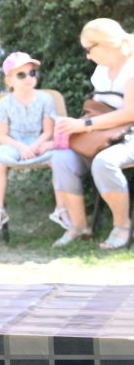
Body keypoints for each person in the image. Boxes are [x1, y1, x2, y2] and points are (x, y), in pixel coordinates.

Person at [0, 51, 86, 243]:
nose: (28, 78)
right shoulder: (4, 103)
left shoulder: (45, 99)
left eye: (32, 73)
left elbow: (48, 131)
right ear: (9, 80)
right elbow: (1, 135)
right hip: (14, 143)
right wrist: (22, 147)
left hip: (39, 141)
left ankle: (61, 208)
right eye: (21, 75)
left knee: (59, 158)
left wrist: (38, 145)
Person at [56, 19, 134, 250]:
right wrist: (73, 126)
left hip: (130, 134)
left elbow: (130, 113)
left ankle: (122, 226)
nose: (88, 56)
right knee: (61, 158)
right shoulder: (101, 71)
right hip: (106, 133)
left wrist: (86, 125)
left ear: (105, 44)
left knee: (104, 162)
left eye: (89, 50)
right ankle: (79, 226)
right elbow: (98, 107)